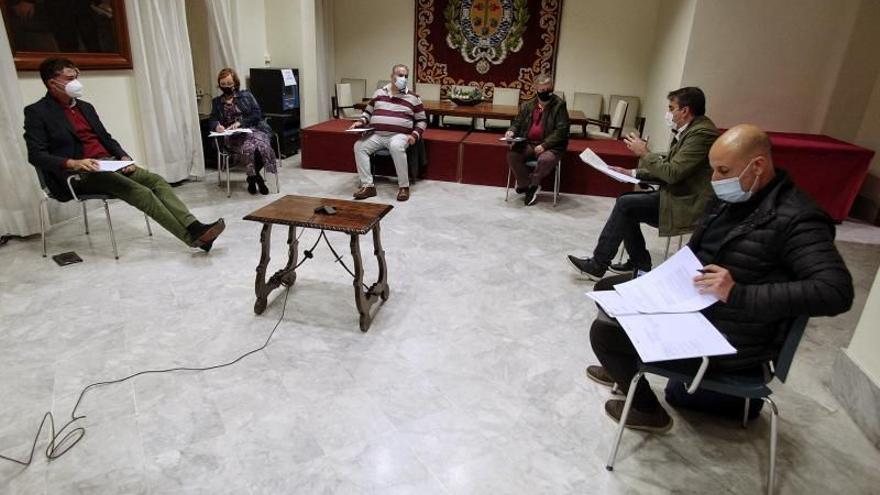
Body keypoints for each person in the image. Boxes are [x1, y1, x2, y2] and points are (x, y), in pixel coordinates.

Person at [585, 124, 854, 432]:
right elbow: (704, 249)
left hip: (730, 334)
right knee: (608, 289)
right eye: (713, 170)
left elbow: (835, 291)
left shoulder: (798, 218)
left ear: (758, 166)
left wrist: (737, 292)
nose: (715, 180)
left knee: (604, 334)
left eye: (723, 170)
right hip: (700, 301)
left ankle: (647, 411)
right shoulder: (735, 198)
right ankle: (624, 368)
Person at [24, 57, 225, 252]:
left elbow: (106, 138)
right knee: (141, 192)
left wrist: (123, 157)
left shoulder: (85, 107)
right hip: (79, 174)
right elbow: (36, 155)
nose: (76, 82)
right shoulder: (37, 112)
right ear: (52, 83)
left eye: (77, 76)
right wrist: (74, 163)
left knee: (155, 181)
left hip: (109, 165)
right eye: (69, 78)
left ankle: (195, 227)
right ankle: (193, 238)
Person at [568, 87, 719, 279]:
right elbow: (671, 169)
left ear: (685, 111)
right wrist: (630, 172)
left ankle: (598, 266)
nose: (669, 112)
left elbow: (672, 173)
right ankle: (639, 263)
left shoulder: (701, 134)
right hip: (677, 193)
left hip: (688, 202)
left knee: (626, 204)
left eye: (671, 108)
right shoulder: (690, 130)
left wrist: (645, 153)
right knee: (627, 204)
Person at [350, 63, 427, 202]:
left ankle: (404, 187)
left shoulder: (413, 97)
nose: (403, 78)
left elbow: (422, 121)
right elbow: (368, 112)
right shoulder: (379, 93)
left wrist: (414, 135)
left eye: (406, 76)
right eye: (400, 75)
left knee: (396, 147)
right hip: (377, 134)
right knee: (359, 146)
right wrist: (360, 122)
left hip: (399, 136)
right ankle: (368, 186)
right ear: (392, 76)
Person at [208, 67, 277, 195]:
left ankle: (252, 177)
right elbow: (212, 119)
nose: (226, 86)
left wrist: (240, 122)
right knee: (248, 148)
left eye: (229, 84)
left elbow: (257, 114)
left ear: (235, 83)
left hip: (253, 129)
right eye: (223, 84)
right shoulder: (217, 102)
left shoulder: (246, 95)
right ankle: (257, 178)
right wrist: (217, 126)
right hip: (233, 136)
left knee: (262, 146)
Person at [504, 74, 569, 206]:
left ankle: (533, 186)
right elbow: (517, 122)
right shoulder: (527, 105)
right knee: (513, 155)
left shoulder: (559, 105)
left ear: (552, 88)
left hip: (551, 146)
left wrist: (545, 145)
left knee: (545, 159)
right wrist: (511, 131)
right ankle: (525, 184)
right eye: (542, 90)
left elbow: (562, 130)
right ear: (536, 89)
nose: (546, 93)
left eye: (548, 89)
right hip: (529, 143)